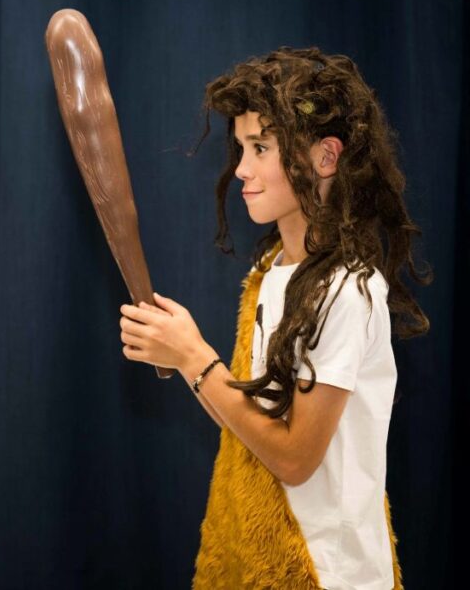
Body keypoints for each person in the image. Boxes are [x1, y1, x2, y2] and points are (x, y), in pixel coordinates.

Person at [118, 48, 430, 589]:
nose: (242, 168)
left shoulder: (345, 292)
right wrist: (182, 355)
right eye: (242, 148)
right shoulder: (271, 270)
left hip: (328, 574)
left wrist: (195, 359)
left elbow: (294, 459)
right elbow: (251, 420)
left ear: (326, 157)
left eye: (261, 147)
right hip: (258, 561)